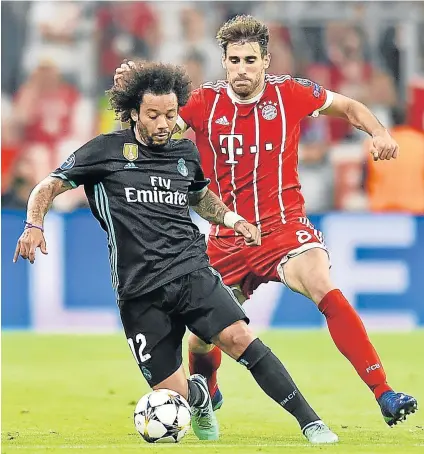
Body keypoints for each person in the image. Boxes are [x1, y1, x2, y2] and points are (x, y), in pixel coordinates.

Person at [114, 15, 418, 427]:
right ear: (224, 62)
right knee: (203, 337)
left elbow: (348, 106)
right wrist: (135, 92)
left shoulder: (290, 93)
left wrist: (378, 132)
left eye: (250, 60)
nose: (242, 68)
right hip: (226, 236)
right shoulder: (204, 102)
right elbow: (157, 134)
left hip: (283, 228)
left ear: (265, 61)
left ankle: (384, 392)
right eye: (235, 60)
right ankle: (209, 395)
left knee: (321, 284)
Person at [13, 62, 338, 444]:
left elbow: (200, 197)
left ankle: (312, 422)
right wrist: (34, 224)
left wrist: (233, 221)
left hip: (191, 272)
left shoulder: (184, 152)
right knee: (174, 396)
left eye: (170, 114)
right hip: (139, 292)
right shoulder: (104, 152)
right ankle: (199, 395)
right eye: (153, 115)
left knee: (239, 338)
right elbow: (46, 188)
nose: (164, 123)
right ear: (134, 112)